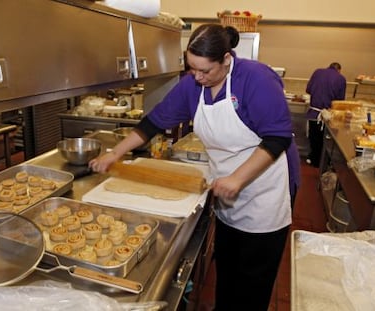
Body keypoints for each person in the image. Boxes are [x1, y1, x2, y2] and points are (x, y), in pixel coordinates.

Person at [89, 24, 300, 310]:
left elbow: (278, 138)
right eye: (192, 69)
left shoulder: (255, 78)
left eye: (205, 71)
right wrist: (115, 153)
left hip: (264, 192)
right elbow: (154, 121)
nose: (197, 77)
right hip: (225, 190)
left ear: (226, 59)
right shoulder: (193, 85)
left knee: (252, 282)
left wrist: (237, 179)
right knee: (226, 268)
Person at [306, 62, 346, 167]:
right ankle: (324, 163)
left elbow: (308, 89)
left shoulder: (317, 72)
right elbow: (339, 101)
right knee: (326, 140)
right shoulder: (341, 78)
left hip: (314, 113)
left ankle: (314, 160)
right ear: (339, 70)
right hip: (329, 115)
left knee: (314, 138)